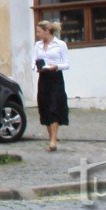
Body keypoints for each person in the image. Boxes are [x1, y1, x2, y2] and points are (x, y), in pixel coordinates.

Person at [33, 18, 70, 151]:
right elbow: (34, 60)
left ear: (47, 31)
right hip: (43, 77)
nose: (37, 34)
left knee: (54, 106)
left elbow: (67, 64)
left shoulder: (60, 44)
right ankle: (51, 138)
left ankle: (54, 140)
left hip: (55, 76)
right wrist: (36, 67)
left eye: (39, 32)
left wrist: (56, 66)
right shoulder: (37, 45)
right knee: (45, 106)